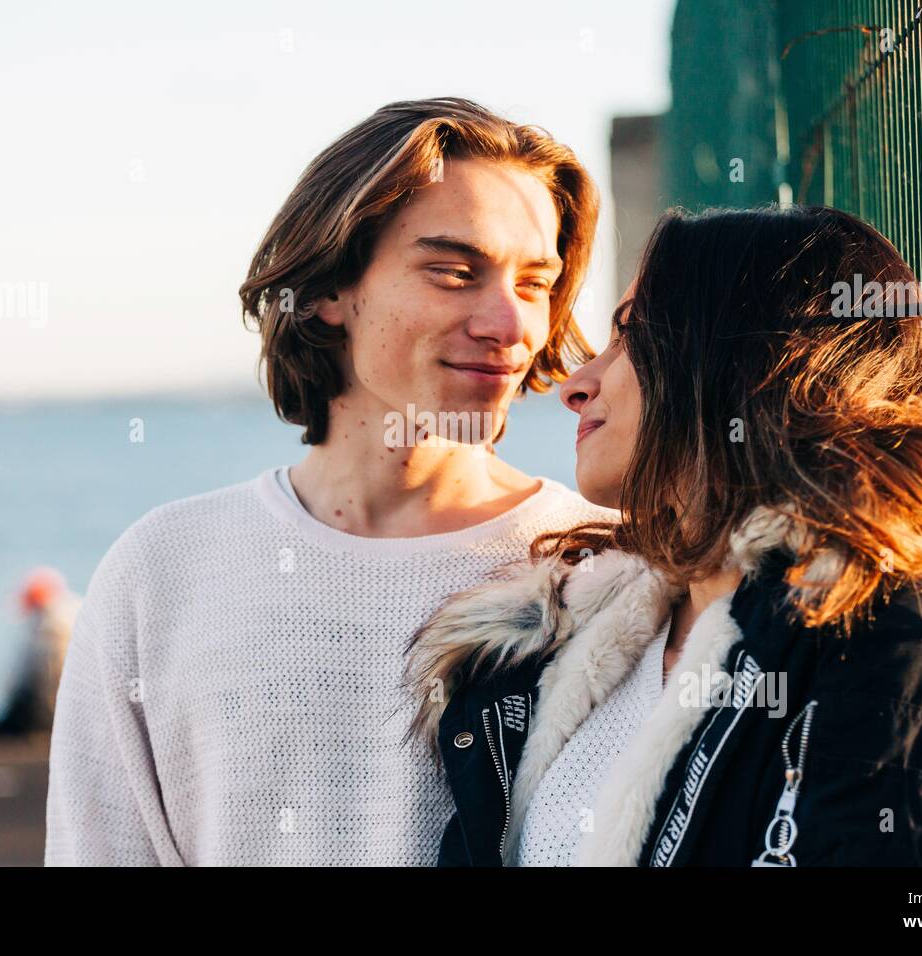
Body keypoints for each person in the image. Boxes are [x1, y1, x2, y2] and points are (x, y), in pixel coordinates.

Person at [44, 98, 614, 865]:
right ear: (326, 290)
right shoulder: (163, 573)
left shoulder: (605, 566)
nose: (509, 328)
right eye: (453, 272)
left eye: (536, 284)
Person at [406, 205, 922, 866]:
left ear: (738, 359)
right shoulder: (564, 637)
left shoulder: (877, 633)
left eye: (630, 335)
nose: (576, 384)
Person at [0, 567, 80, 741]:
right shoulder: (76, 614)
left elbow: (20, 681)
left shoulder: (50, 627)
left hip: (47, 713)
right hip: (71, 711)